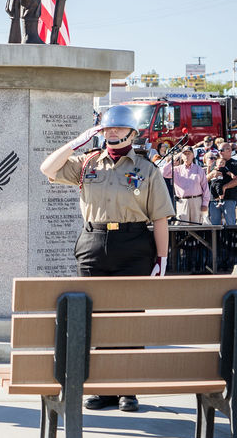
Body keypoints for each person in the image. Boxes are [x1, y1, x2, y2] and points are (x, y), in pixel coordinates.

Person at [40, 104, 174, 412]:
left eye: (117, 128)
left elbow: (161, 219)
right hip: (94, 243)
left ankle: (127, 389)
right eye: (106, 127)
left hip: (134, 245)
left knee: (128, 318)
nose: (111, 132)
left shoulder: (146, 169)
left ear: (131, 132)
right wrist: (79, 141)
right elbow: (47, 168)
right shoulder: (87, 163)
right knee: (95, 319)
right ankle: (103, 388)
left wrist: (162, 259)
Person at [160, 146, 209, 223]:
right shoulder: (176, 170)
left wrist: (205, 204)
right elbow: (164, 173)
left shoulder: (199, 169)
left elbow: (205, 188)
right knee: (182, 226)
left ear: (193, 155)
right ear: (181, 156)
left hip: (197, 201)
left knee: (197, 226)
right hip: (182, 201)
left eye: (189, 154)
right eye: (184, 154)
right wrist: (172, 162)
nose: (187, 156)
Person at [205, 143, 237, 225]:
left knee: (230, 224)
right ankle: (217, 238)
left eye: (221, 150)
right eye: (218, 150)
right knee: (215, 225)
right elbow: (206, 179)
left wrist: (224, 187)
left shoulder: (235, 163)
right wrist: (211, 174)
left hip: (229, 198)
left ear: (229, 150)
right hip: (214, 199)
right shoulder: (215, 163)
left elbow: (236, 180)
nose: (219, 152)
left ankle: (231, 238)